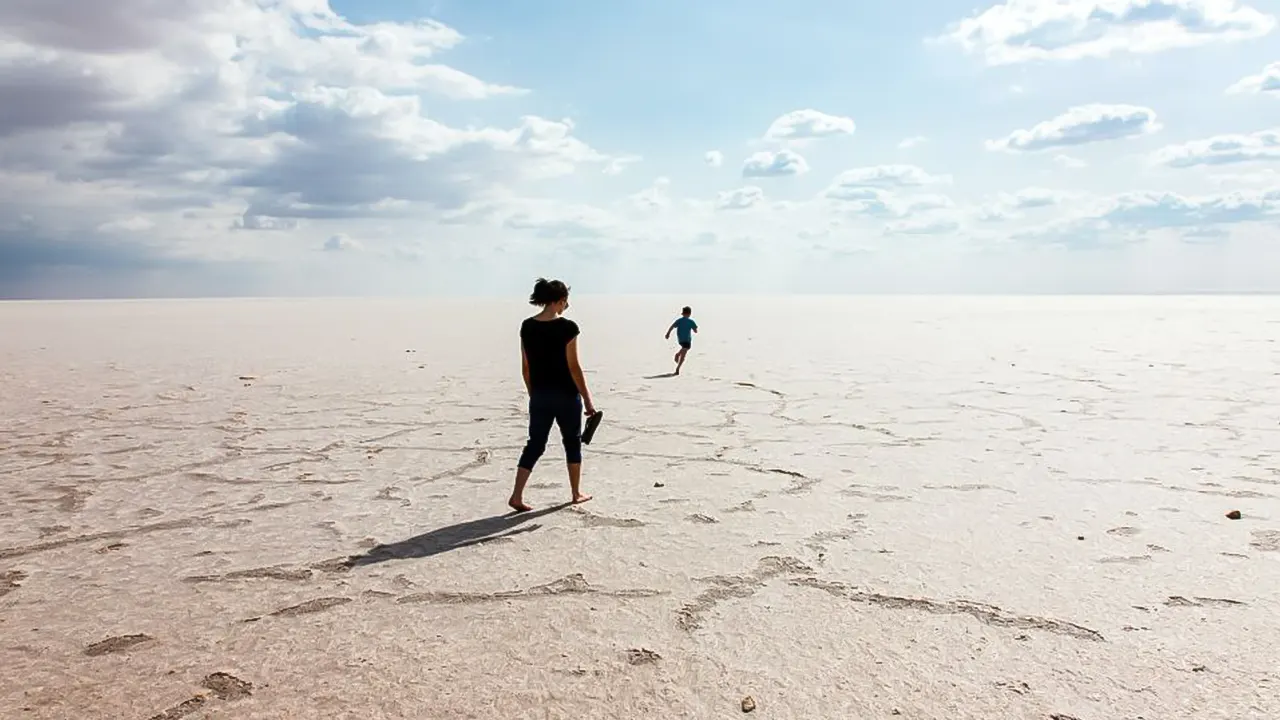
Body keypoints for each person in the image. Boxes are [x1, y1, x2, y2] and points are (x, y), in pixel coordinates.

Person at [508, 278, 596, 512]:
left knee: (534, 444)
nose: (566, 305)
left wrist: (533, 394)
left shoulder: (527, 326)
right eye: (565, 301)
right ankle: (576, 493)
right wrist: (587, 400)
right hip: (567, 395)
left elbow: (525, 368)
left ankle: (516, 496)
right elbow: (574, 367)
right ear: (559, 301)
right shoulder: (567, 327)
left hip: (540, 396)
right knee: (572, 443)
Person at [664, 306, 698, 375]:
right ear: (689, 314)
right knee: (685, 351)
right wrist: (695, 329)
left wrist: (668, 333)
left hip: (680, 340)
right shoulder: (691, 321)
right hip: (687, 340)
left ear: (683, 313)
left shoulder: (679, 320)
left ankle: (677, 368)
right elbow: (695, 331)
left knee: (684, 351)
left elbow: (672, 326)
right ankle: (677, 357)